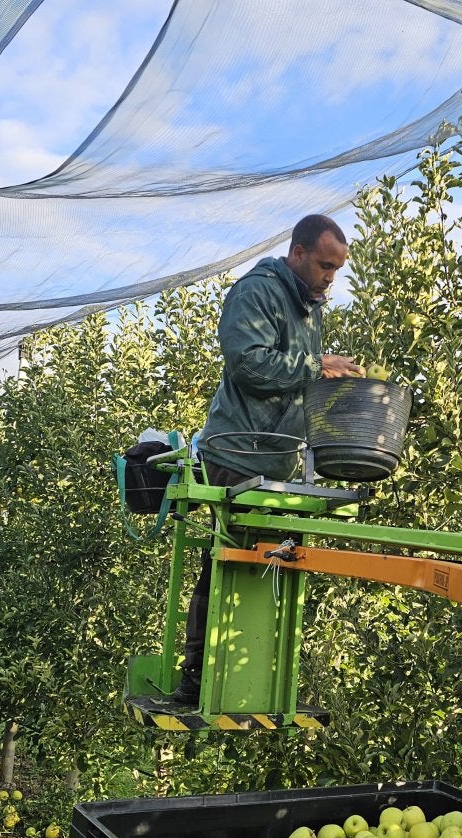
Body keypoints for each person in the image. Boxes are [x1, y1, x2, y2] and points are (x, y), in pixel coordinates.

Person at [174, 214, 363, 704]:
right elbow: (248, 362)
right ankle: (199, 679)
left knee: (281, 563)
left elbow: (298, 385)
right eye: (324, 265)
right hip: (239, 451)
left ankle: (264, 680)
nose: (330, 277)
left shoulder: (308, 306)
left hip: (278, 460)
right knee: (229, 562)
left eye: (337, 269)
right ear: (297, 253)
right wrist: (318, 366)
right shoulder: (255, 292)